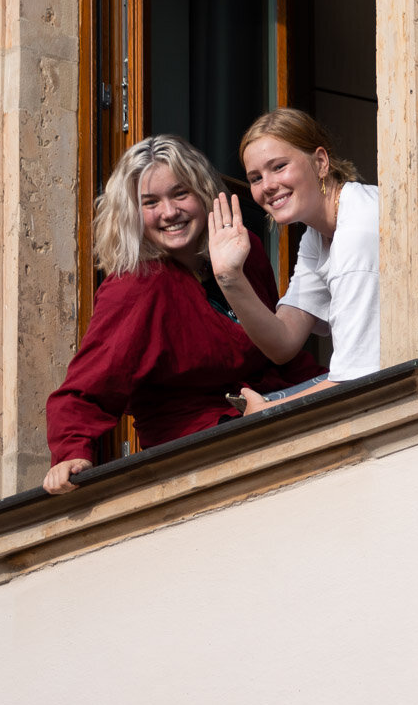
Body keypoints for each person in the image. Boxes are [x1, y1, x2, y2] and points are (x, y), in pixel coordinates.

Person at [41, 135, 324, 494]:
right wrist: (70, 453)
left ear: (204, 194)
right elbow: (85, 391)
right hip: (197, 451)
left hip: (273, 412)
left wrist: (328, 384)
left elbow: (279, 355)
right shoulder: (135, 286)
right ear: (132, 213)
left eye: (179, 194)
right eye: (150, 202)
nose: (169, 212)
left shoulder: (243, 250)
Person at [206, 109, 379, 414]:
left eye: (279, 167)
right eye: (256, 178)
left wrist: (270, 412)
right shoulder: (318, 233)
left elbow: (358, 378)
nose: (267, 186)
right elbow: (283, 342)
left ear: (320, 162)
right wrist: (229, 277)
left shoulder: (357, 228)